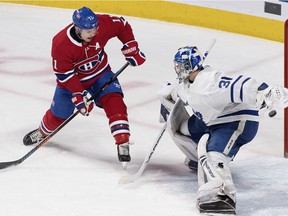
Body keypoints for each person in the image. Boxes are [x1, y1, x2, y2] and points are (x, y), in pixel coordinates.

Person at [158, 45, 287, 214]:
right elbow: (178, 92)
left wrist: (264, 93)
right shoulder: (186, 82)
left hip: (235, 120)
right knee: (183, 128)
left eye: (181, 65)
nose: (178, 69)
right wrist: (167, 95)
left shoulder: (210, 82)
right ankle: (198, 159)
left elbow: (239, 85)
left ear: (190, 66)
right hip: (210, 118)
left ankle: (222, 196)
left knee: (214, 156)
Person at [23, 6, 146, 163]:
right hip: (72, 81)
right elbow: (64, 74)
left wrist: (131, 46)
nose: (93, 33)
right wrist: (78, 94)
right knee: (59, 114)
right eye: (88, 31)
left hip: (100, 73)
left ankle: (122, 142)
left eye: (95, 29)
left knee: (115, 101)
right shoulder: (61, 43)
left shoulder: (101, 24)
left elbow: (122, 25)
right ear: (77, 28)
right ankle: (43, 132)